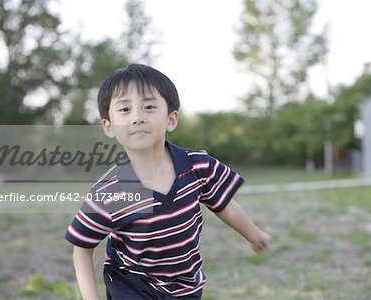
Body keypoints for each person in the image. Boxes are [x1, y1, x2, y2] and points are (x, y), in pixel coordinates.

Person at [64, 64, 271, 299]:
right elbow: (82, 248)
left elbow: (224, 204)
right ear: (109, 126)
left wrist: (255, 235)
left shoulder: (197, 166)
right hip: (131, 283)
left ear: (171, 119)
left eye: (149, 107)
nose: (137, 118)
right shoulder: (110, 191)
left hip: (185, 285)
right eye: (124, 109)